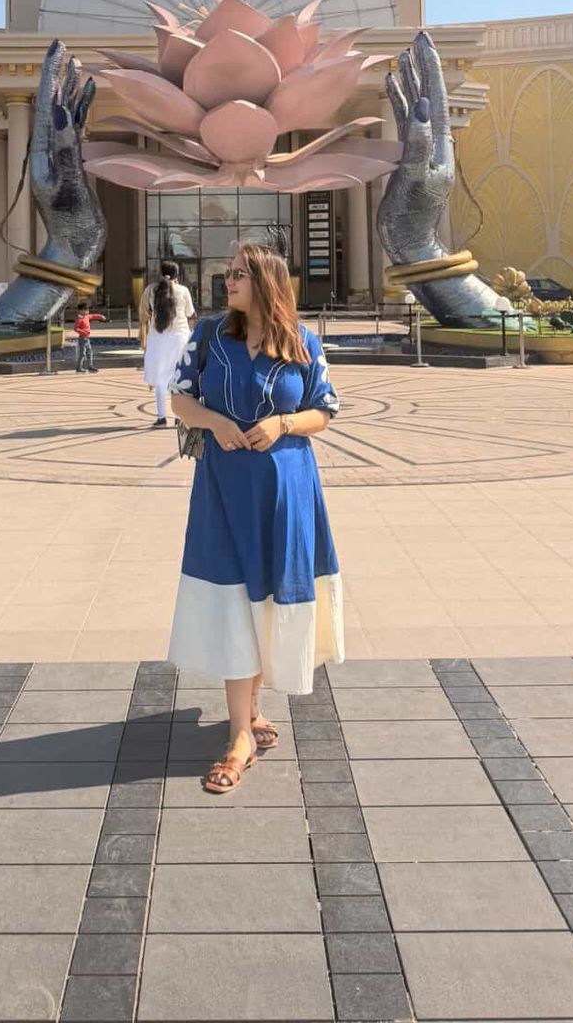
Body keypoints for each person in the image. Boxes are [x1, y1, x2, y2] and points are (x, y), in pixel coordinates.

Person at [167, 242, 343, 794]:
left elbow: (325, 410)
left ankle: (251, 709)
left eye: (238, 274)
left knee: (267, 596)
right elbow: (178, 399)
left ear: (266, 280)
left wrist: (285, 425)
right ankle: (240, 734)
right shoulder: (209, 337)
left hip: (285, 488)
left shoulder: (302, 342)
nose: (228, 282)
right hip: (223, 487)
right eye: (227, 273)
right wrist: (216, 422)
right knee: (231, 597)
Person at [140, 260, 195, 428]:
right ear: (177, 275)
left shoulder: (151, 290)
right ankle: (179, 417)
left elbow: (145, 313)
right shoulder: (183, 291)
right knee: (178, 378)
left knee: (160, 379)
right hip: (180, 338)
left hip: (158, 338)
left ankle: (161, 417)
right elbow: (190, 313)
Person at [72, 300, 106, 373]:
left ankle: (90, 366)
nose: (87, 311)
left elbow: (93, 316)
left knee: (89, 352)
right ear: (81, 310)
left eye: (87, 309)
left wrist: (100, 316)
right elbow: (75, 328)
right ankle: (79, 368)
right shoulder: (79, 318)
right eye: (86, 310)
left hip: (87, 338)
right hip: (82, 338)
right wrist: (83, 332)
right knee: (82, 353)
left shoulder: (86, 316)